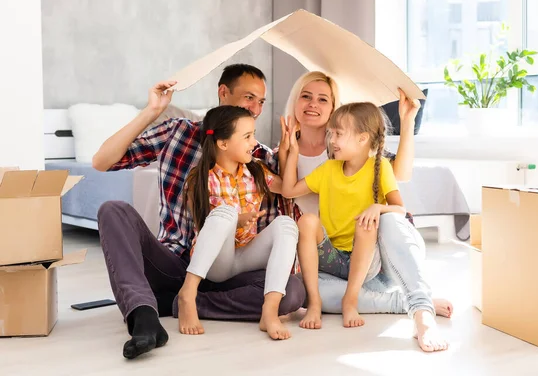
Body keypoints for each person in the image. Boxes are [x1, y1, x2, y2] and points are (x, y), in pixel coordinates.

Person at [92, 64, 306, 360]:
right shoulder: (178, 132)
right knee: (113, 210)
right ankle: (143, 316)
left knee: (292, 292)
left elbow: (288, 200)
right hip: (176, 261)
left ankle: (180, 303)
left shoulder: (258, 157)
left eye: (261, 102)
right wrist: (151, 111)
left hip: (227, 270)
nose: (256, 109)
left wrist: (288, 152)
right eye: (249, 98)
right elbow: (101, 162)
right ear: (223, 93)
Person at [277, 72, 451, 352]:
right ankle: (394, 302)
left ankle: (418, 307)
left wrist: (406, 123)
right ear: (295, 101)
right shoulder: (293, 153)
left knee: (374, 221)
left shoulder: (374, 165)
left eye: (323, 99)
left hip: (374, 258)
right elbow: (286, 190)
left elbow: (400, 191)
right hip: (330, 259)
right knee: (302, 289)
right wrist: (291, 152)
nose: (313, 104)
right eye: (306, 96)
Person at [177, 106, 298, 340]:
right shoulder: (201, 178)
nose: (254, 142)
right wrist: (238, 218)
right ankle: (188, 294)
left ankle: (269, 311)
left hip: (245, 257)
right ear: (223, 143)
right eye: (247, 137)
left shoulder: (257, 171)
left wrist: (288, 152)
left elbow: (288, 190)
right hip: (216, 263)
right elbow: (205, 223)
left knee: (286, 224)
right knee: (226, 213)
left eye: (253, 135)